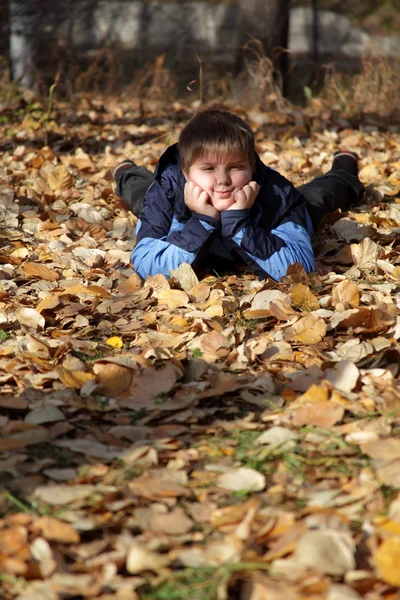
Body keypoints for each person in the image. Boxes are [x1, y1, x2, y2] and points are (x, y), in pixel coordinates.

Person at [113, 109, 364, 281]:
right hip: (180, 203)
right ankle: (126, 172)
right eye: (209, 169)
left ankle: (344, 169)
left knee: (318, 197)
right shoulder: (167, 190)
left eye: (235, 168)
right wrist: (201, 222)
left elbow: (299, 269)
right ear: (186, 174)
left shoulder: (276, 194)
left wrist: (239, 225)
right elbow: (145, 265)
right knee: (141, 195)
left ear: (251, 169)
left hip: (262, 216)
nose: (223, 180)